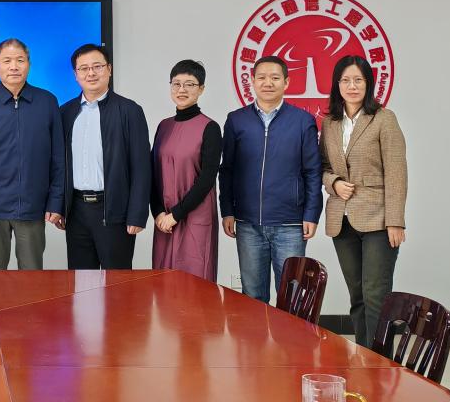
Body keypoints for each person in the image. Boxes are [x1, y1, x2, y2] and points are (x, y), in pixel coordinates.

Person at [219, 55, 322, 304]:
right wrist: (228, 211)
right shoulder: (236, 120)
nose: (268, 83)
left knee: (292, 298)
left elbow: (312, 171)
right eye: (262, 77)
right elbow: (227, 170)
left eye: (275, 78)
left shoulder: (303, 121)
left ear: (286, 82)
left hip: (290, 224)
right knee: (253, 297)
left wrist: (311, 214)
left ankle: (290, 334)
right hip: (248, 224)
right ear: (252, 81)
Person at [320, 55, 407, 346]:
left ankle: (381, 363)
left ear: (368, 83)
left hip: (378, 219)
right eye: (345, 80)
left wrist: (395, 221)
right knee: (356, 295)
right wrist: (334, 183)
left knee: (375, 295)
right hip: (342, 221)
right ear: (337, 85)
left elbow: (396, 172)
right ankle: (362, 358)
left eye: (358, 80)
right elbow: (322, 166)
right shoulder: (330, 123)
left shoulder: (384, 118)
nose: (352, 86)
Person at [0, 38, 65, 270]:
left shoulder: (47, 102)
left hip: (33, 208)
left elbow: (58, 158)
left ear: (28, 64)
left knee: (32, 278)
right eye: (7, 61)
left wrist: (55, 202)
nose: (14, 66)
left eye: (20, 60)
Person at [60, 43, 151, 270]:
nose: (91, 73)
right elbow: (59, 165)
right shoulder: (66, 112)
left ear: (109, 69)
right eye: (84, 68)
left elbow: (142, 166)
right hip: (76, 211)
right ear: (76, 75)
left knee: (116, 283)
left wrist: (137, 214)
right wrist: (60, 207)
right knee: (81, 281)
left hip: (114, 210)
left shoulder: (129, 111)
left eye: (97, 66)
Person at [151, 59, 222, 281]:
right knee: (163, 282)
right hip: (165, 220)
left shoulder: (209, 127)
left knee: (194, 282)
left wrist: (176, 215)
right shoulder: (164, 126)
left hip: (194, 217)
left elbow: (207, 179)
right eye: (176, 84)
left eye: (190, 84)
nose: (182, 90)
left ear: (201, 89)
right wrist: (158, 213)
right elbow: (153, 173)